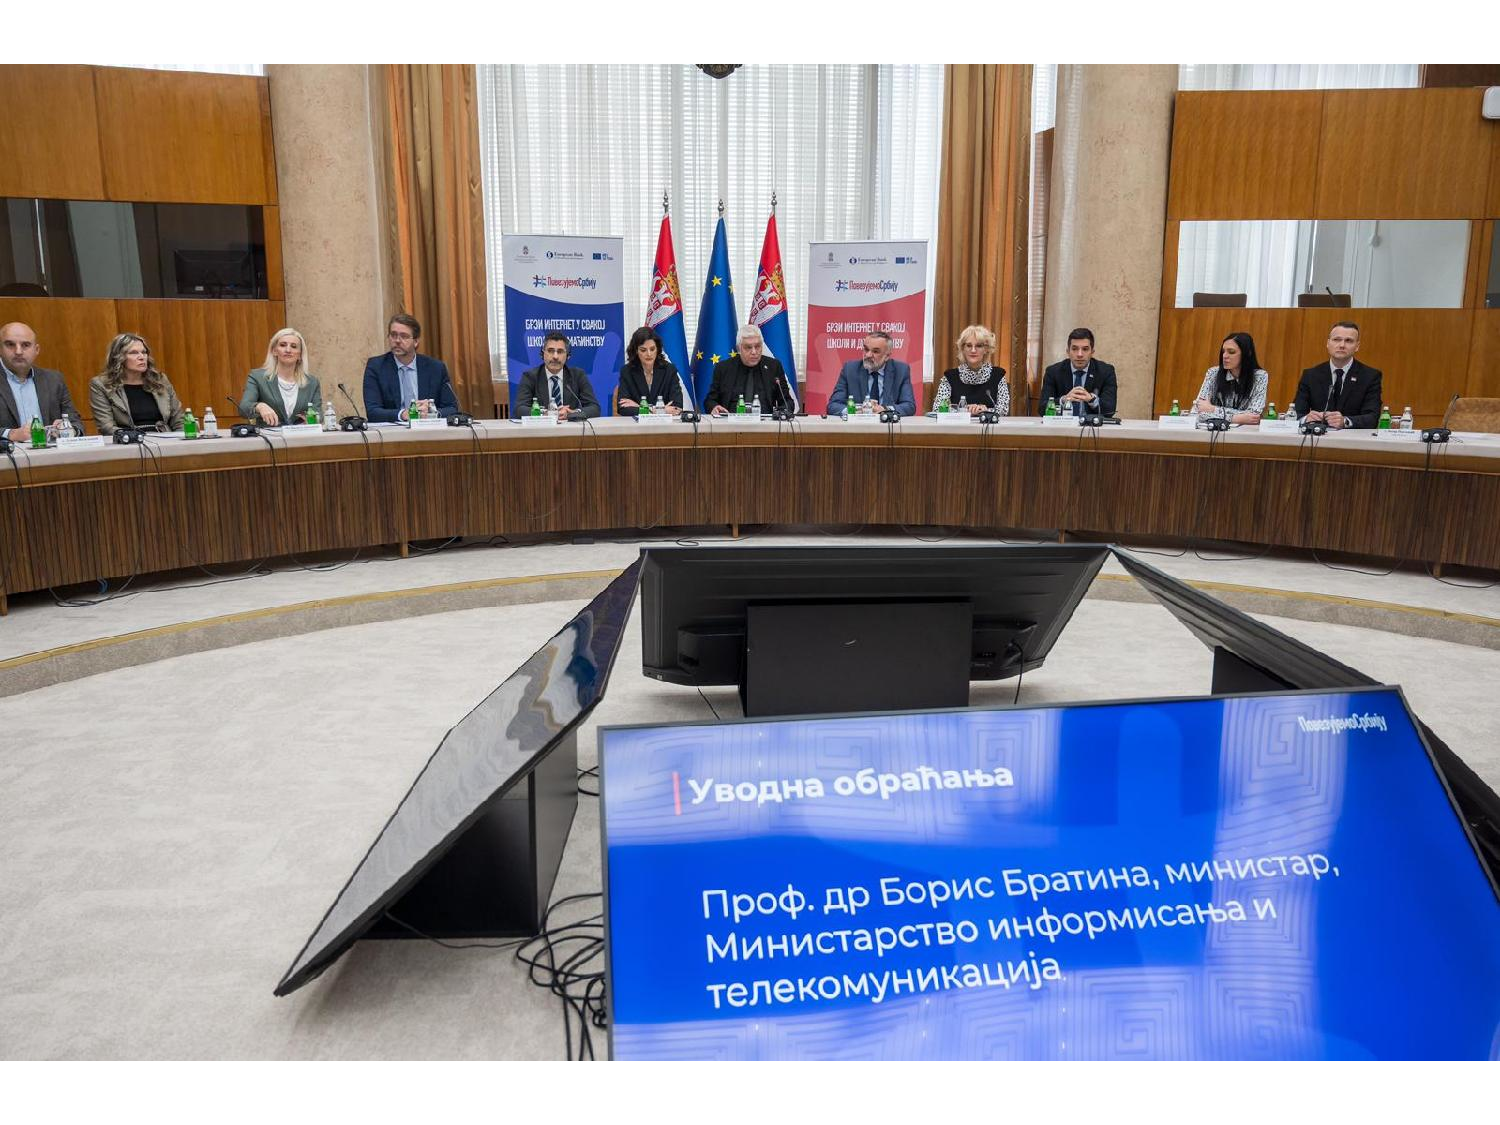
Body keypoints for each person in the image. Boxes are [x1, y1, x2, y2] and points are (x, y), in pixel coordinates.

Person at [361, 314, 460, 423]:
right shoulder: (376, 367)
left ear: (416, 341)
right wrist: (403, 414)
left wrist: (432, 412)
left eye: (404, 336)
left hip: (427, 430)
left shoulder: (436, 368)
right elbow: (373, 412)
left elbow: (452, 408)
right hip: (392, 431)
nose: (397, 340)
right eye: (393, 335)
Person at [0, 321, 85, 440]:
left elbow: (75, 422)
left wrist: (68, 429)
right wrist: (10, 434)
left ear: (36, 350)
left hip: (50, 451)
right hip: (7, 451)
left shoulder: (54, 380)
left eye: (25, 345)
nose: (18, 351)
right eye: (10, 344)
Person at [88, 333, 185, 434]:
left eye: (144, 352)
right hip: (128, 440)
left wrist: (182, 439)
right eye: (133, 353)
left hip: (164, 438)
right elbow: (106, 427)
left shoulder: (160, 380)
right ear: (119, 357)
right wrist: (136, 437)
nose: (142, 357)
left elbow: (179, 420)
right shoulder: (101, 384)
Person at [1292, 321, 1383, 430]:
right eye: (1337, 339)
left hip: (1352, 438)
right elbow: (1296, 412)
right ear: (1328, 343)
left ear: (1357, 346)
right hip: (1316, 436)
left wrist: (1345, 421)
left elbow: (1372, 418)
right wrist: (1306, 418)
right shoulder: (1311, 375)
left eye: (1348, 341)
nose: (1342, 345)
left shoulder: (1370, 376)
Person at [703, 325, 795, 416]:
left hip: (765, 423)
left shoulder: (773, 366)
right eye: (748, 347)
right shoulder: (723, 368)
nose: (754, 352)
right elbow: (710, 400)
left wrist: (782, 412)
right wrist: (714, 407)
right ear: (739, 348)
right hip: (730, 422)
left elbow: (787, 401)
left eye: (757, 346)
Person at [239, 328, 323, 426]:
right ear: (274, 351)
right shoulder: (258, 377)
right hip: (268, 434)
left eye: (294, 346)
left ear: (300, 355)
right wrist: (260, 406)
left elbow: (319, 414)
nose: (288, 350)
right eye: (283, 345)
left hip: (301, 434)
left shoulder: (312, 382)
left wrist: (312, 419)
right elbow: (244, 408)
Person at [827, 330, 916, 416]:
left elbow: (909, 406)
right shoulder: (850, 369)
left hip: (886, 424)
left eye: (875, 351)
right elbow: (833, 406)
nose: (868, 355)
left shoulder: (901, 370)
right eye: (866, 349)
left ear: (887, 356)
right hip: (859, 424)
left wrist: (885, 409)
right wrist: (855, 410)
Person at [516, 332, 601, 419]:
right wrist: (545, 413)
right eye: (550, 351)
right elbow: (519, 409)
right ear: (542, 354)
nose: (555, 356)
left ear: (568, 356)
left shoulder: (578, 376)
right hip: (542, 427)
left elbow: (594, 408)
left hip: (571, 427)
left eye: (560, 352)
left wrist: (573, 413)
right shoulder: (530, 377)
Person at [1193, 332, 1268, 425]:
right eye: (1223, 351)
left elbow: (1254, 416)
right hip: (1214, 430)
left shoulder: (1260, 376)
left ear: (1247, 354)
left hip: (1245, 432)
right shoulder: (1213, 373)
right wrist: (1237, 418)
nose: (1224, 356)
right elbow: (1197, 411)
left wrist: (1213, 409)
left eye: (1231, 352)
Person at [1038, 328, 1117, 417]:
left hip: (1091, 425)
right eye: (1074, 349)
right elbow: (1042, 409)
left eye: (1085, 349)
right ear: (1068, 352)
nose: (1080, 354)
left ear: (1092, 352)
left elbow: (1110, 410)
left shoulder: (1106, 372)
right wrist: (1063, 400)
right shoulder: (1053, 372)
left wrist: (1092, 400)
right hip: (1063, 425)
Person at [933, 324, 1010, 415]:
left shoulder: (998, 376)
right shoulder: (950, 377)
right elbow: (937, 409)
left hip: (988, 424)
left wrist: (984, 410)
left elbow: (1003, 410)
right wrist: (964, 410)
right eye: (969, 345)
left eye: (979, 346)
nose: (973, 350)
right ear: (963, 348)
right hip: (960, 424)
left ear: (986, 349)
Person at [617, 326, 684, 416]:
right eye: (643, 350)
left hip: (664, 424)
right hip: (637, 424)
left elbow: (677, 406)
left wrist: (642, 408)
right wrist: (659, 410)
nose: (649, 354)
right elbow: (622, 408)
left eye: (652, 349)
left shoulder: (669, 370)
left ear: (657, 349)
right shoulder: (627, 371)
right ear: (636, 351)